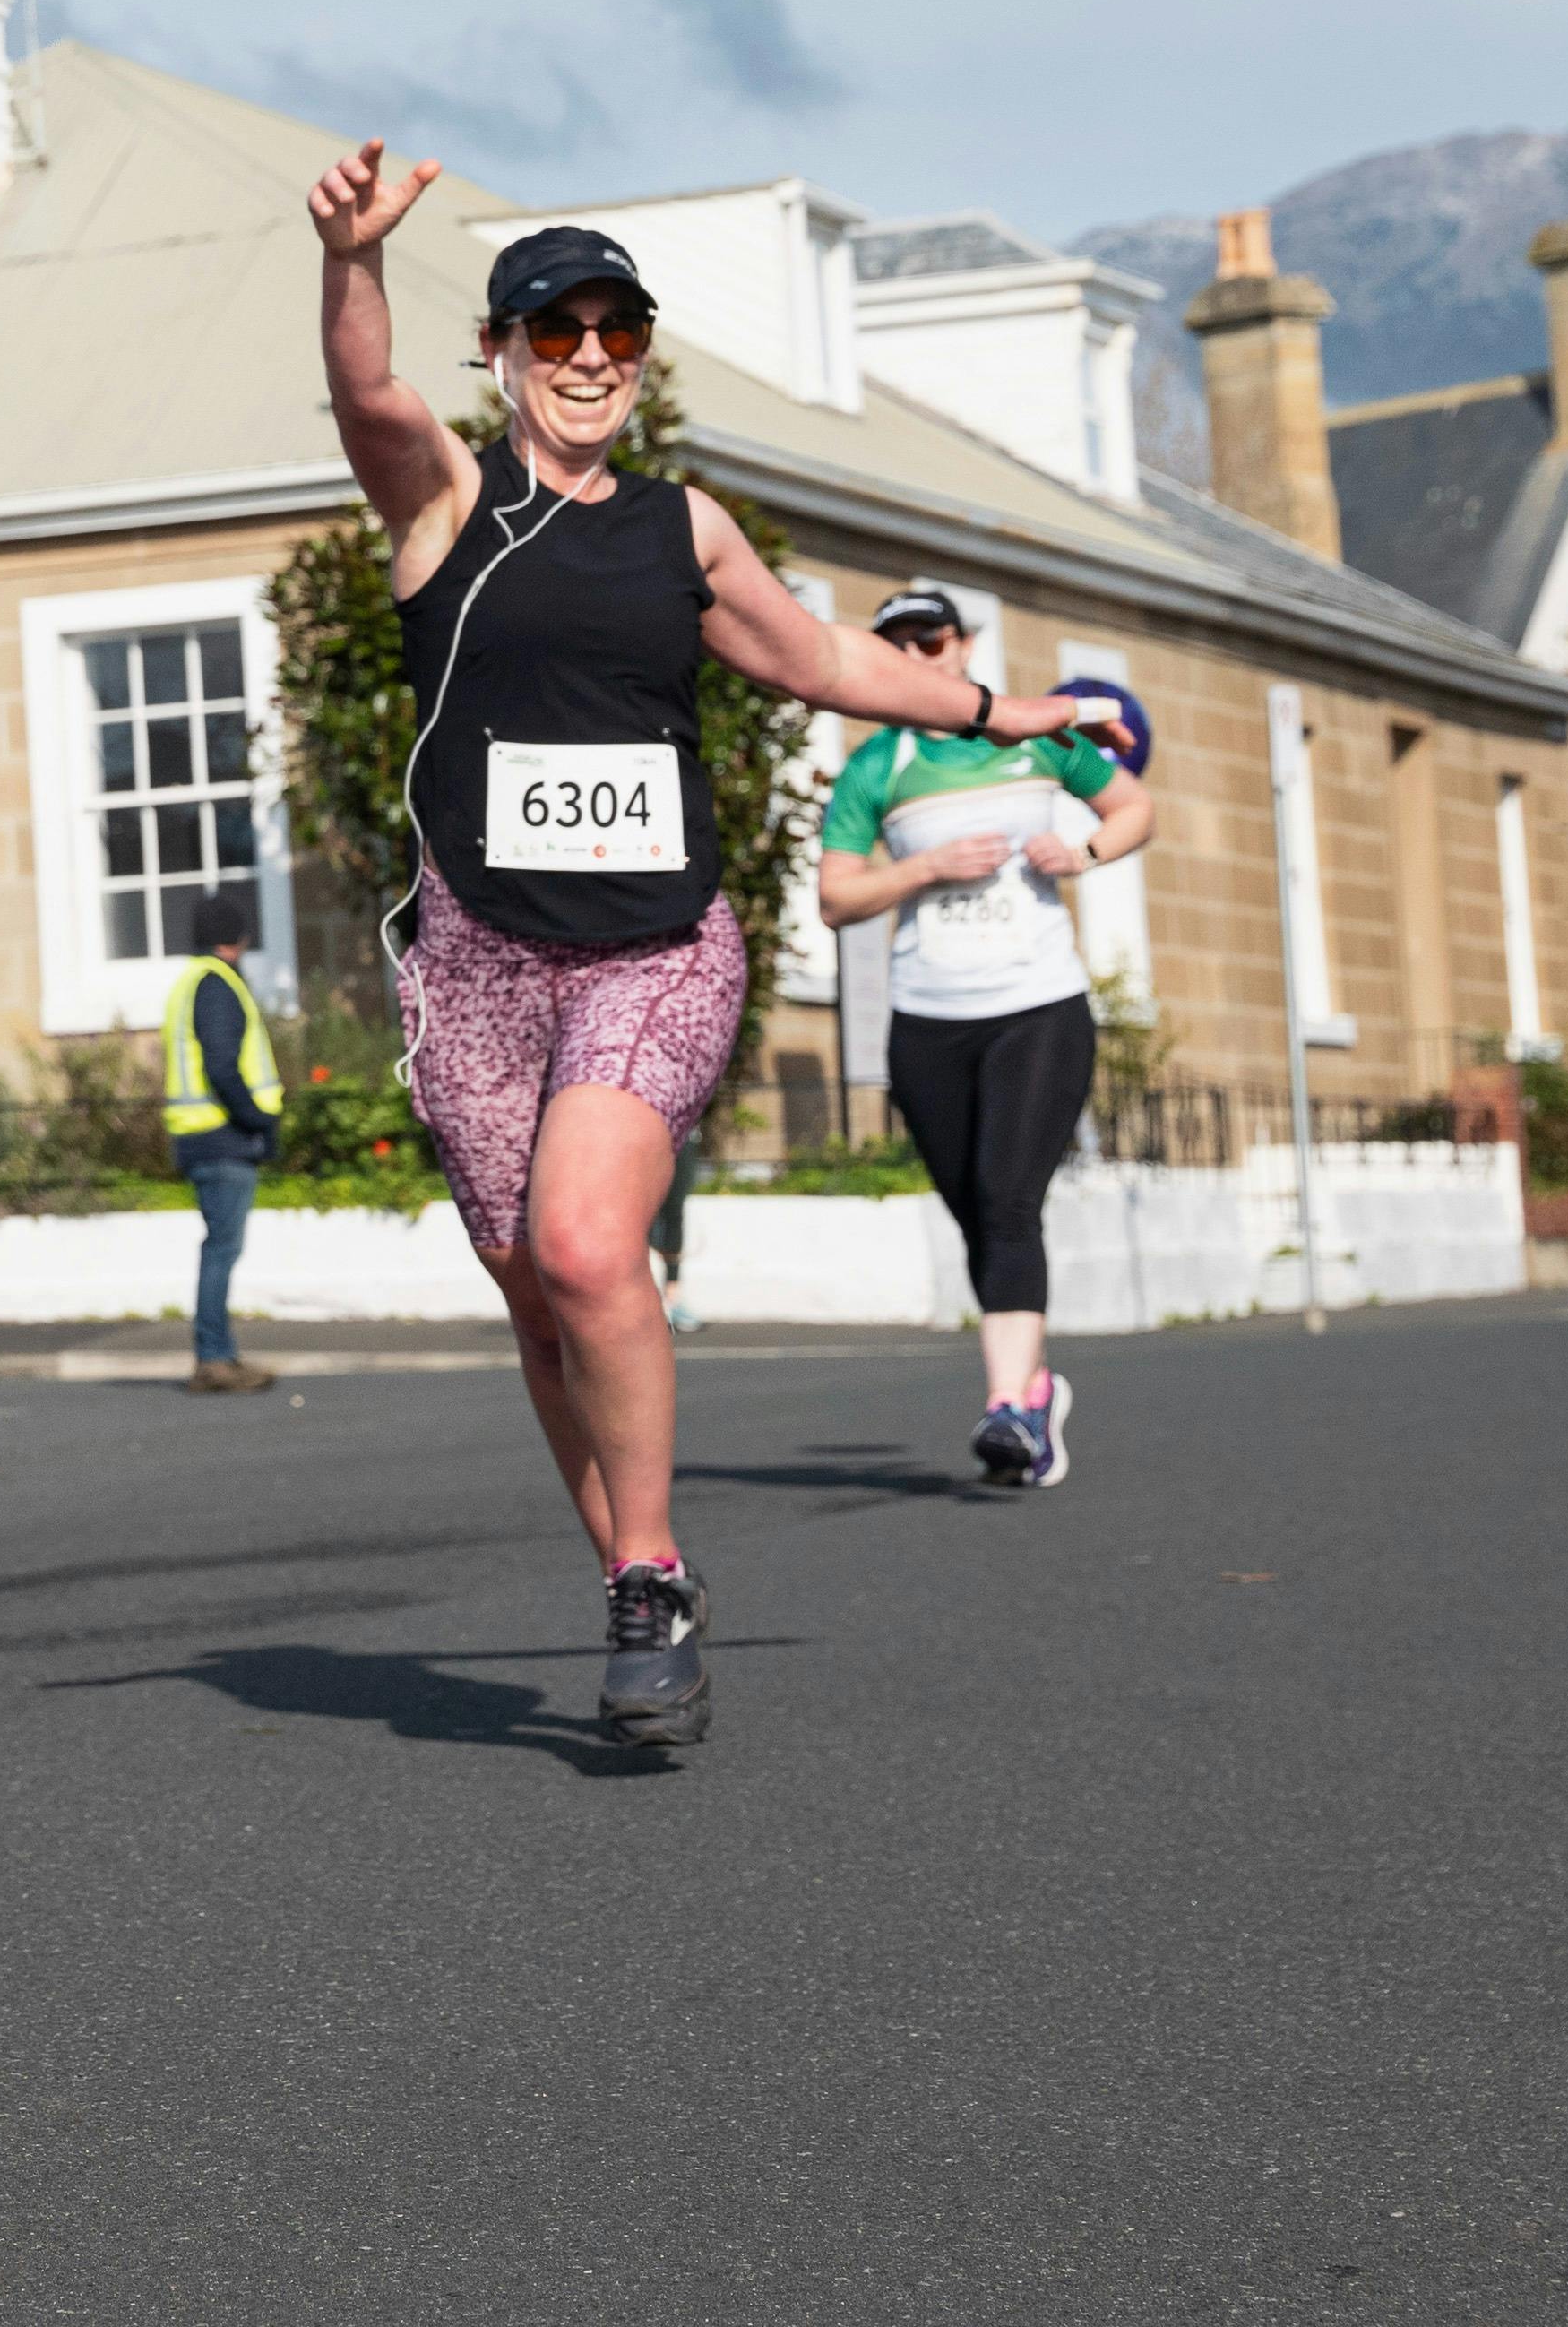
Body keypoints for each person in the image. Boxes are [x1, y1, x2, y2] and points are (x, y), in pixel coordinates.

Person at [309, 166, 1113, 1747]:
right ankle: (626, 1562)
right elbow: (364, 387)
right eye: (559, 329)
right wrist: (349, 262)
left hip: (655, 948)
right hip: (474, 962)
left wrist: (994, 713)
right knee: (536, 1291)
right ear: (506, 351)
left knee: (594, 1248)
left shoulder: (685, 528)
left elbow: (817, 659)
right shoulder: (445, 505)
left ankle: (651, 1576)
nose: (592, 353)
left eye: (619, 327)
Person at [810, 587, 1152, 1489]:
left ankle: (1007, 1410)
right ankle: (1034, 1386)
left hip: (1037, 1003)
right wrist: (923, 866)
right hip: (929, 1018)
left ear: (964, 646)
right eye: (896, 644)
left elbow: (1134, 809)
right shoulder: (877, 765)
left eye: (930, 639)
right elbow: (836, 896)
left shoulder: (1035, 736)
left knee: (1007, 1198)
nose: (916, 656)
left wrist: (1080, 856)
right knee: (974, 1208)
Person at [159, 884, 285, 1393]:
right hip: (222, 1138)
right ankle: (213, 1359)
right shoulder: (217, 984)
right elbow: (222, 1065)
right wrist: (258, 1119)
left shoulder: (192, 981)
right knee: (221, 1251)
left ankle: (219, 1356)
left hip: (203, 1137)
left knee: (220, 1249)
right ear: (236, 938)